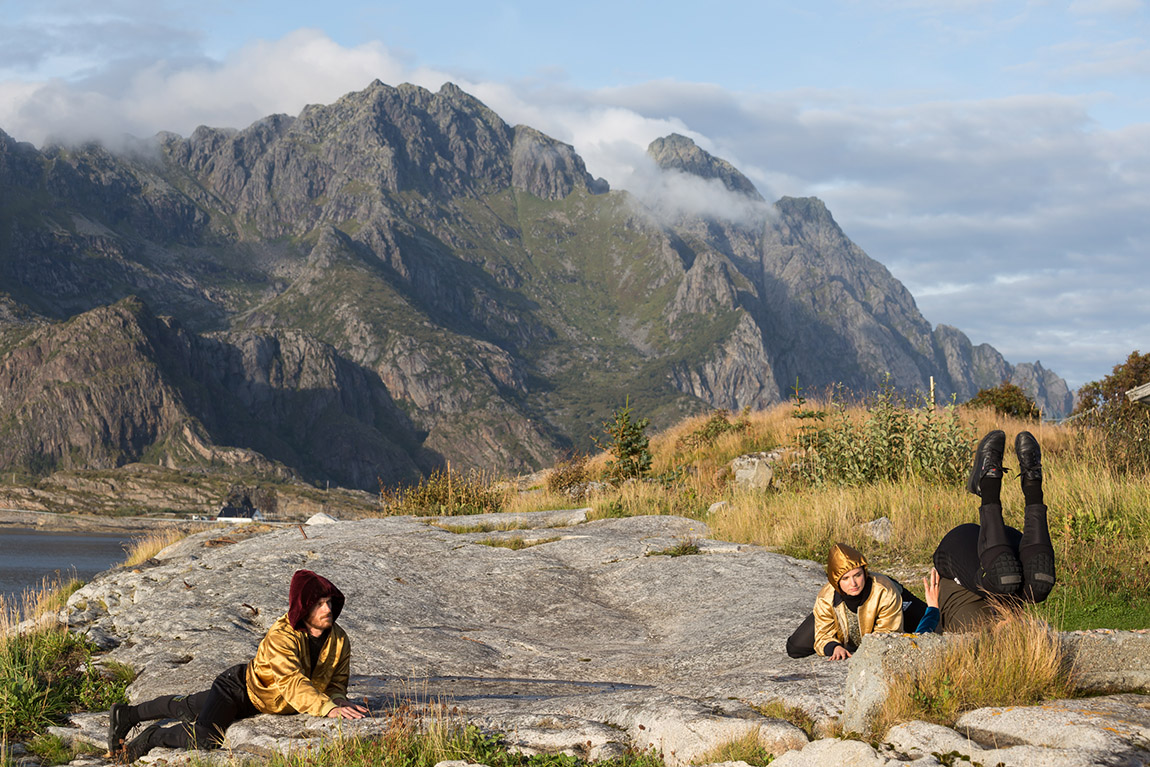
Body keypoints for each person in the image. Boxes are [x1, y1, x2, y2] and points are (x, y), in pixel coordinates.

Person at [106, 570, 368, 761]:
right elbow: (291, 683)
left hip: (264, 698)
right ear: (303, 607)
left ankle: (126, 715)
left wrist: (337, 698)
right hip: (238, 688)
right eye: (320, 604)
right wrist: (325, 707)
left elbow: (336, 680)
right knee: (204, 736)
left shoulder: (339, 638)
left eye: (329, 602)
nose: (328, 609)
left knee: (186, 707)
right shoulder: (281, 636)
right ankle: (151, 736)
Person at [932, 429, 1056, 631]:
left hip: (959, 549)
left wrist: (930, 608)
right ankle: (1032, 480)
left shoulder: (967, 646)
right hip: (1000, 562)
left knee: (1004, 578)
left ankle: (987, 481)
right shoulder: (1024, 642)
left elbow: (920, 635)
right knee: (1039, 585)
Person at [785, 543, 942, 660]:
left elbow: (887, 634)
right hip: (841, 606)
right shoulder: (826, 597)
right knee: (795, 647)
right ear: (835, 581)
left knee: (931, 632)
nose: (853, 583)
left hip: (894, 601)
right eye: (845, 578)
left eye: (857, 575)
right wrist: (834, 647)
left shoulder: (884, 591)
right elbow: (822, 636)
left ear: (865, 573)